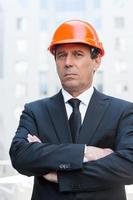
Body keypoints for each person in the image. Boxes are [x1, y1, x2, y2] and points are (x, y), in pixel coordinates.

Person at [9, 20, 133, 200]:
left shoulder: (122, 111)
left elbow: (129, 165)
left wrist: (62, 174)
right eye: (61, 55)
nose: (68, 62)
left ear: (96, 60)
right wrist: (85, 152)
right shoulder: (35, 111)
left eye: (78, 54)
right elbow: (20, 156)